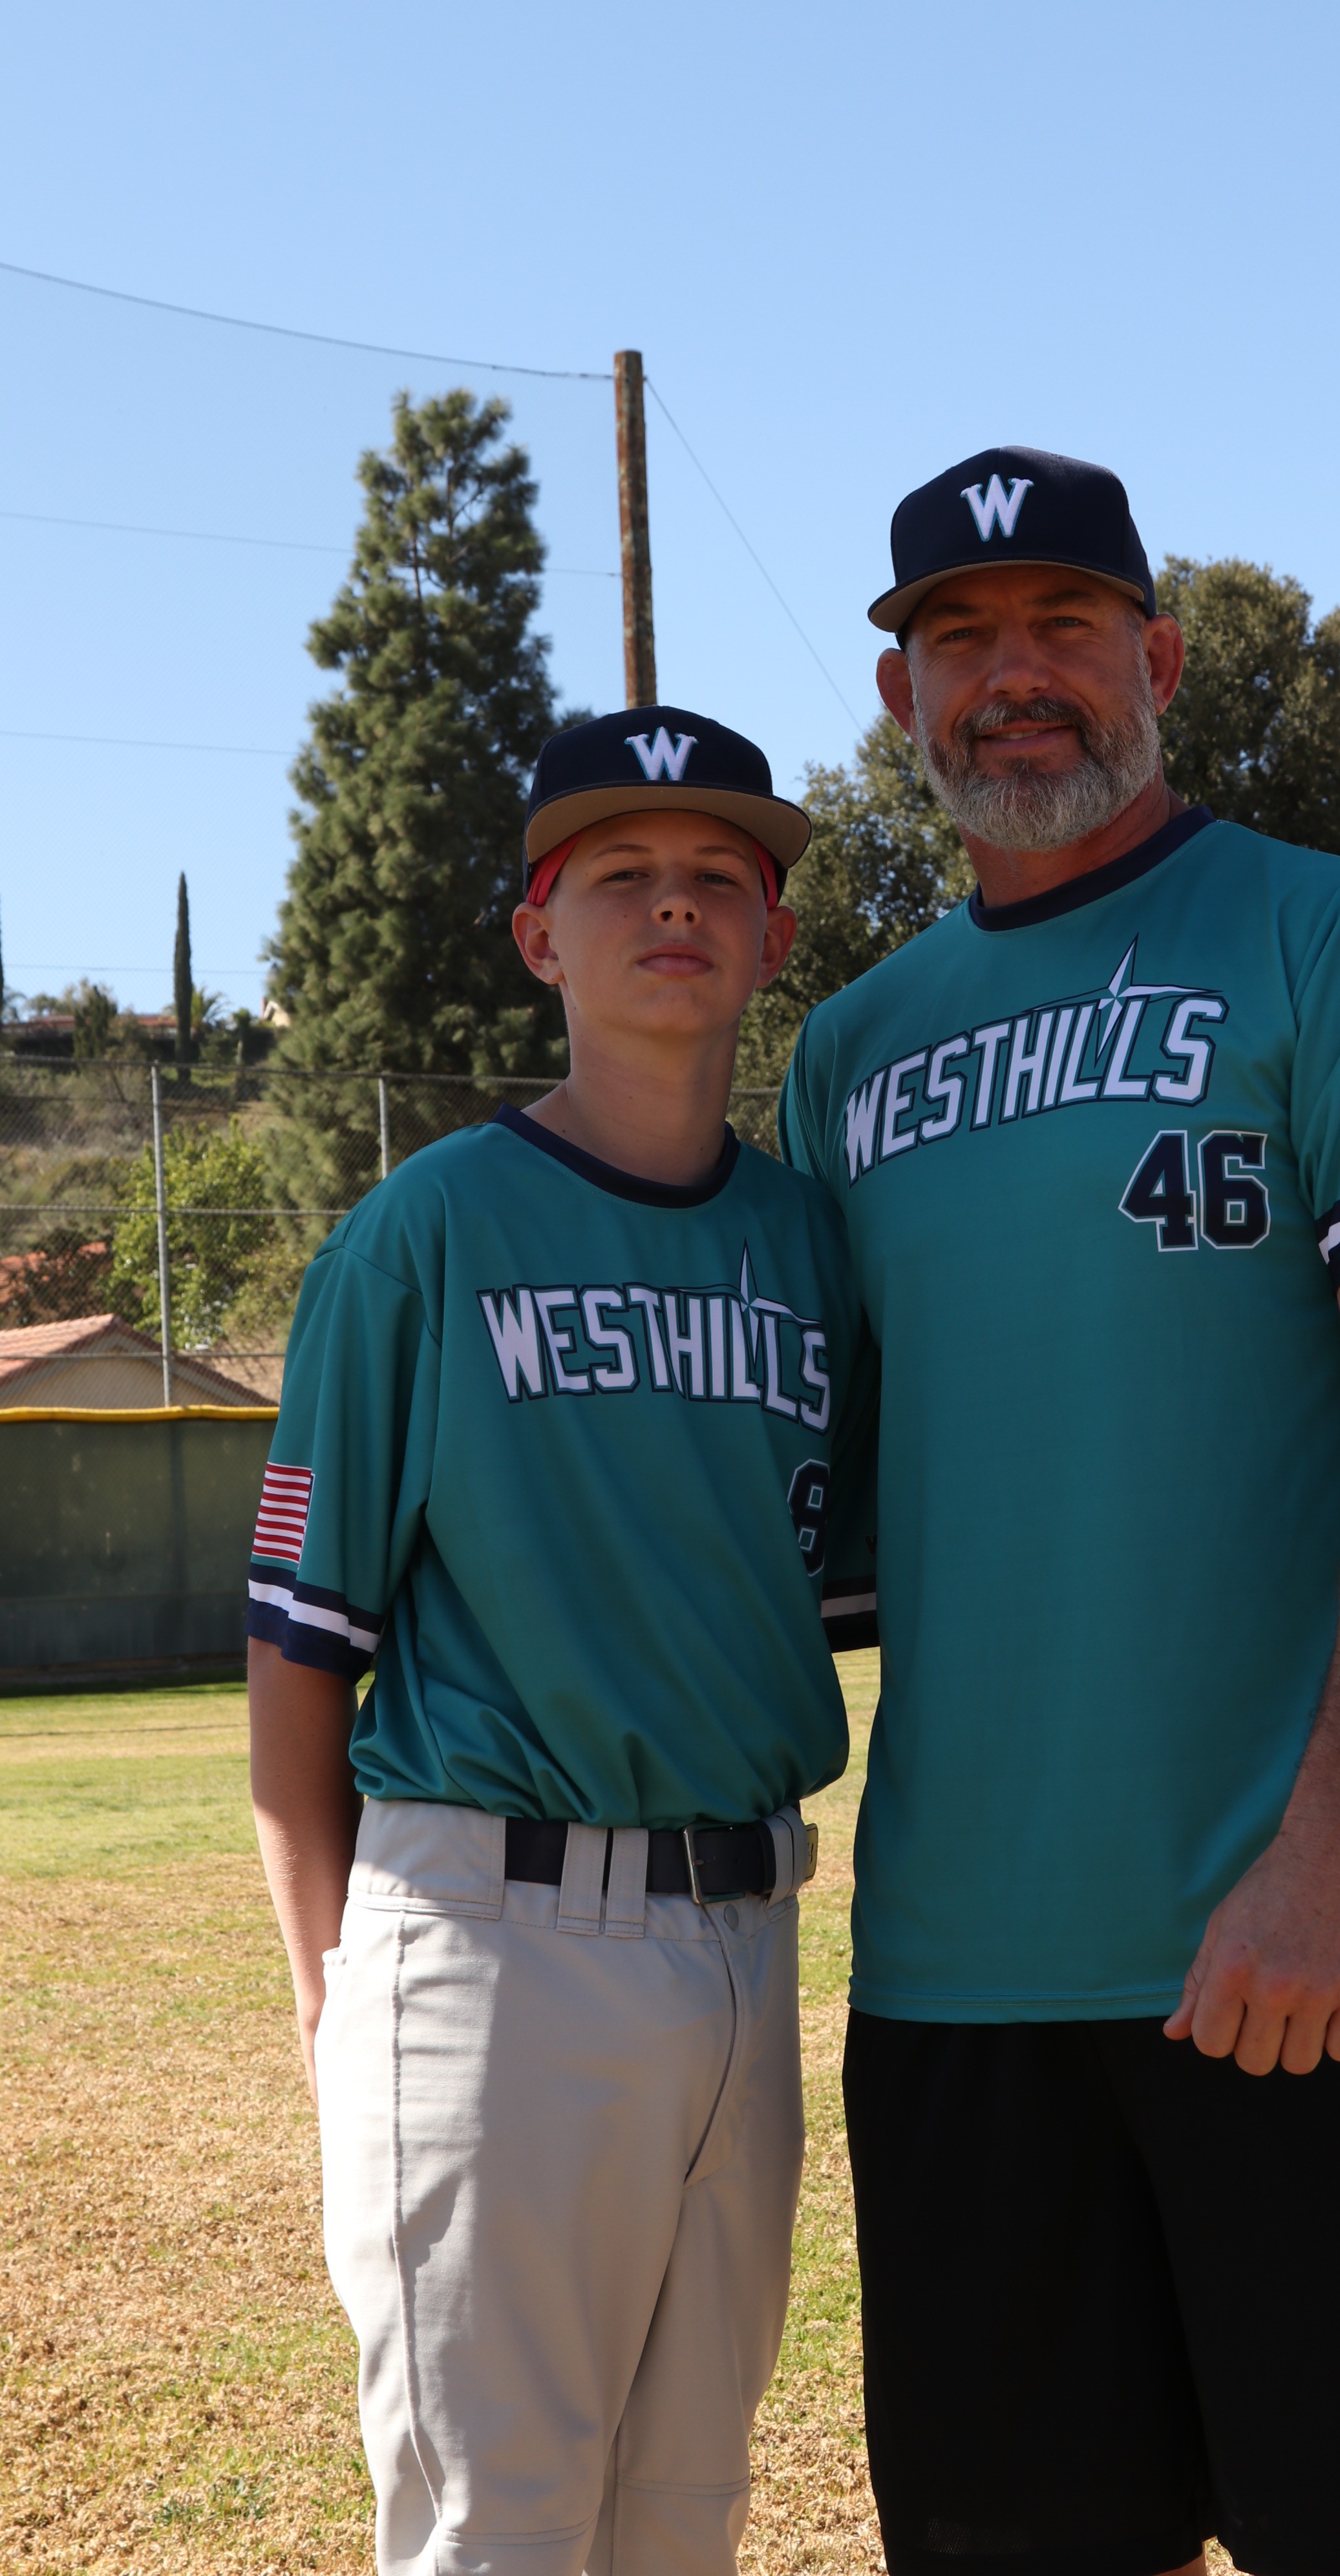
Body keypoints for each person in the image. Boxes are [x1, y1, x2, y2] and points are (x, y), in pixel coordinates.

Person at [781, 450, 1340, 2575]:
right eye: (961, 638)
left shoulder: (1333, 939)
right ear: (901, 697)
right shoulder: (850, 1052)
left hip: (1292, 1951)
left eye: (1063, 624)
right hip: (954, 1975)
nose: (1014, 676)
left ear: (1161, 658)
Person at [248, 705, 872, 2576]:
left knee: (684, 2524)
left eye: (718, 877)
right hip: (493, 1940)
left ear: (772, 935)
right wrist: (332, 1984)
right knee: (499, 2536)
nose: (673, 906)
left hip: (749, 1938)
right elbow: (301, 1655)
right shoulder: (425, 1231)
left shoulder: (815, 1248)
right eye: (620, 875)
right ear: (539, 934)